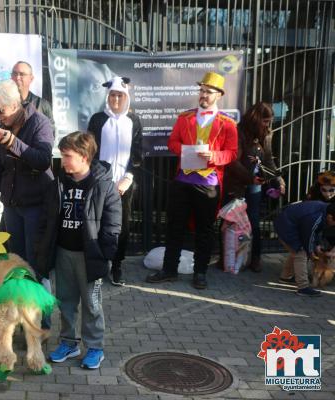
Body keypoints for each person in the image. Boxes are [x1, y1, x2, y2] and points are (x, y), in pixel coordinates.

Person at [34, 131, 121, 370]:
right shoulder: (58, 184)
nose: (63, 161)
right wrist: (43, 248)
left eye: (67, 156)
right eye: (62, 155)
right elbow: (47, 219)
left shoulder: (105, 186)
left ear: (84, 156)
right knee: (66, 301)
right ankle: (68, 342)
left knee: (91, 304)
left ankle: (94, 347)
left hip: (89, 257)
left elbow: (113, 225)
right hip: (63, 253)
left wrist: (105, 254)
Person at [146, 72, 238, 289]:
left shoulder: (227, 123)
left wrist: (214, 156)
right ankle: (169, 269)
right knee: (174, 227)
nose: (204, 95)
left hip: (209, 184)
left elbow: (232, 153)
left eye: (209, 92)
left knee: (204, 230)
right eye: (202, 91)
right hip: (182, 180)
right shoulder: (184, 118)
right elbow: (172, 142)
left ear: (218, 95)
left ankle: (200, 272)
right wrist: (185, 150)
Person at [0, 80, 54, 269]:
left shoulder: (39, 122)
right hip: (12, 206)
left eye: (0, 111)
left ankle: (36, 298)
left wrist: (13, 143)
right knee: (15, 263)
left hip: (35, 205)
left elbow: (43, 160)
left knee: (34, 262)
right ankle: (18, 299)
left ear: (15, 105)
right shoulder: (3, 127)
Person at [87, 76, 142, 285]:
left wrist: (127, 178)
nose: (116, 99)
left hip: (124, 184)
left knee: (122, 226)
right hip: (101, 182)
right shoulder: (98, 119)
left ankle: (118, 265)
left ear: (126, 96)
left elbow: (137, 154)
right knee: (98, 223)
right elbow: (90, 151)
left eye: (120, 95)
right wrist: (103, 179)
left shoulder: (134, 121)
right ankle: (100, 264)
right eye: (112, 95)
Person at [223, 102, 285, 272]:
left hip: (255, 183)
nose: (268, 125)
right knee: (232, 221)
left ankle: (255, 258)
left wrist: (278, 178)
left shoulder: (266, 134)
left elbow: (268, 159)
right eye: (265, 121)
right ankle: (229, 258)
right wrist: (250, 178)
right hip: (237, 183)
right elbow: (232, 161)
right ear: (256, 119)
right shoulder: (238, 131)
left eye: (270, 121)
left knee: (254, 221)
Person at [274, 201, 335, 297]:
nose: (333, 225)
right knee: (300, 253)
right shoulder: (315, 217)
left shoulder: (325, 210)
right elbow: (308, 236)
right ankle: (303, 287)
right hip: (286, 227)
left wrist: (317, 245)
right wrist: (311, 252)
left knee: (295, 250)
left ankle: (285, 276)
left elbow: (316, 231)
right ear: (330, 217)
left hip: (289, 223)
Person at [11, 61, 54, 128]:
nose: (17, 77)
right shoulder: (3, 102)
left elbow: (51, 133)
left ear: (31, 79)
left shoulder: (42, 105)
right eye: (14, 73)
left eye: (22, 74)